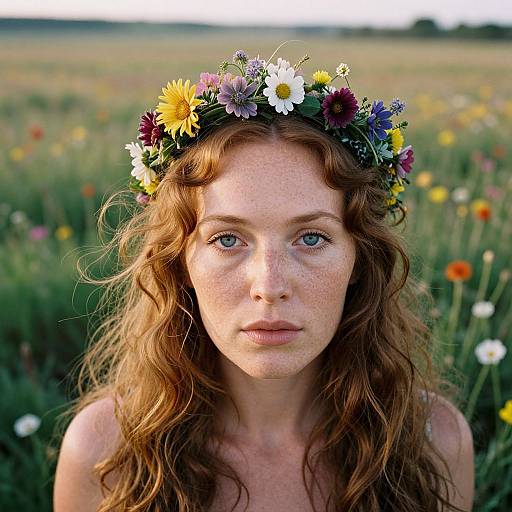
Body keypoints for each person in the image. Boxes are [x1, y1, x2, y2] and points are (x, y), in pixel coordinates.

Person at [53, 48, 474, 511]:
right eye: (228, 239)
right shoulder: (105, 452)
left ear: (359, 259)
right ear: (180, 262)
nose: (269, 286)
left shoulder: (433, 442)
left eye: (311, 238)